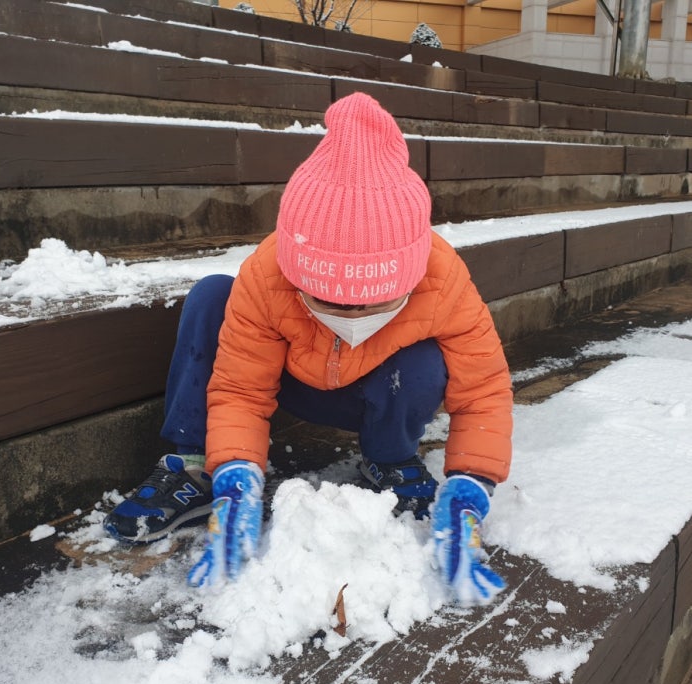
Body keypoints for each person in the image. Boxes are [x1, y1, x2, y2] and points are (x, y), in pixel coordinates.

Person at [104, 92, 513, 605]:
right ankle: (194, 461)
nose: (350, 317)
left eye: (372, 303)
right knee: (212, 295)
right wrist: (233, 466)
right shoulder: (266, 275)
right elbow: (239, 387)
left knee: (425, 361)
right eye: (328, 300)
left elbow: (483, 390)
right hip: (293, 380)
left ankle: (390, 458)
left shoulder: (443, 279)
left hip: (373, 391)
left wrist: (472, 481)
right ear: (296, 269)